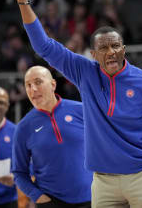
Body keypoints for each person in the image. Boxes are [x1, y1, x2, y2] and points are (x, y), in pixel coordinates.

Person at [5, 0, 142, 208]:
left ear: (124, 49)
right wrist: (22, 0)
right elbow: (43, 46)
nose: (110, 51)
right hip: (103, 181)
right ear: (93, 54)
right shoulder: (85, 72)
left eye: (115, 46)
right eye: (103, 47)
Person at [12, 65, 92, 208]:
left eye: (38, 82)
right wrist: (37, 196)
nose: (33, 89)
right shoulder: (23, 127)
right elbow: (19, 172)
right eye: (28, 85)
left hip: (92, 198)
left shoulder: (82, 110)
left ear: (53, 84)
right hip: (51, 202)